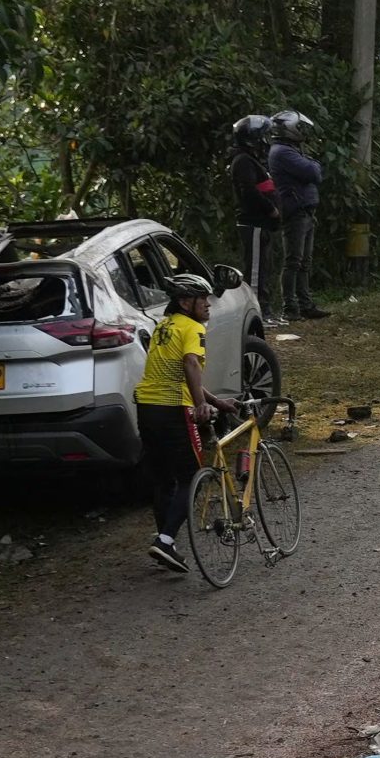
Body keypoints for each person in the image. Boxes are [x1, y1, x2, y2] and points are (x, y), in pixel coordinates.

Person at [133, 272, 230, 575]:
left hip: (147, 408)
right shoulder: (192, 328)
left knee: (164, 480)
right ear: (187, 302)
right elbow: (190, 364)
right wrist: (200, 405)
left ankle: (166, 545)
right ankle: (165, 541)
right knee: (192, 475)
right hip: (174, 409)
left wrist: (214, 401)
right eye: (203, 299)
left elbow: (176, 369)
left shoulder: (165, 326)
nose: (208, 305)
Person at [266, 110, 328, 320]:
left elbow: (313, 171)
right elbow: (314, 173)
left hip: (306, 209)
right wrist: (314, 164)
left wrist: (313, 165)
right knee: (293, 260)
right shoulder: (283, 152)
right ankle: (290, 308)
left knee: (304, 261)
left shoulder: (290, 150)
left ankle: (305, 304)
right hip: (295, 211)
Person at [228, 114, 279, 314]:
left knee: (263, 268)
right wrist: (270, 208)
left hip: (261, 223)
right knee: (255, 271)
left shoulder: (251, 159)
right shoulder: (242, 161)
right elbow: (248, 191)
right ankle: (257, 311)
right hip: (254, 222)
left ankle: (264, 308)